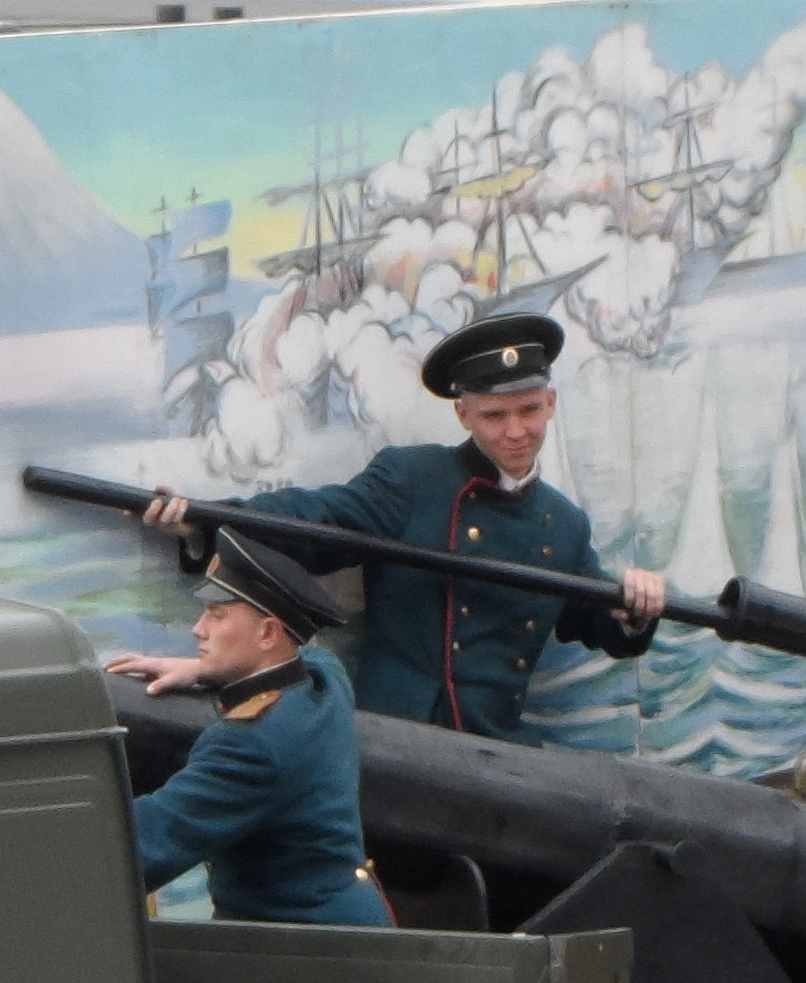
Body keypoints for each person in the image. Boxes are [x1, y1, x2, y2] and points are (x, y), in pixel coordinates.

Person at [129, 314, 667, 738]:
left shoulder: (564, 524)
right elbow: (315, 521)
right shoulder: (414, 479)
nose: (515, 432)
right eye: (494, 416)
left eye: (528, 411)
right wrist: (203, 519)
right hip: (396, 739)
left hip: (495, 747)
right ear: (464, 415)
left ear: (550, 403)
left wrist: (636, 606)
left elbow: (600, 622)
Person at [103, 529, 393, 925]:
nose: (199, 629)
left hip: (298, 945)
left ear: (268, 632)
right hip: (355, 919)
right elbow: (310, 654)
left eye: (217, 614)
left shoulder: (251, 744)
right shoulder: (326, 683)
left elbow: (145, 845)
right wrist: (204, 668)